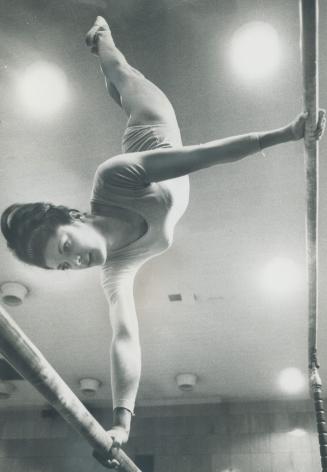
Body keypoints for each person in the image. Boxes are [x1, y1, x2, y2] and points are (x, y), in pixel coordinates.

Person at [1, 16, 325, 466]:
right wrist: (121, 422)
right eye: (64, 268)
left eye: (67, 248)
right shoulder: (116, 269)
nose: (76, 264)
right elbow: (125, 336)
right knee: (117, 87)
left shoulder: (113, 177)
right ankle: (109, 69)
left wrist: (286, 134)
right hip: (152, 160)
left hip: (153, 125)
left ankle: (103, 38)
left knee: (123, 74)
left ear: (74, 216)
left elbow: (205, 157)